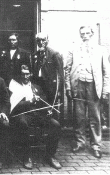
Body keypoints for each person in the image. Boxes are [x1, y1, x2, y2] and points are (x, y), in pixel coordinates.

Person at [65, 25, 110, 159]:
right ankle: (80, 143)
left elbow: (106, 72)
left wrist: (105, 90)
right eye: (82, 34)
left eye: (87, 33)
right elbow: (66, 69)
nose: (85, 36)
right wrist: (68, 87)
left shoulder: (101, 50)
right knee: (79, 117)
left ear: (92, 34)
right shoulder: (73, 49)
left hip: (93, 86)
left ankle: (96, 145)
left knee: (95, 117)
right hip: (78, 85)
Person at [9, 65, 61, 170]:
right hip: (23, 115)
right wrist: (30, 102)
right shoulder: (15, 88)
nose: (25, 76)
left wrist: (48, 110)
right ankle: (27, 156)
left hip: (38, 115)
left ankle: (50, 155)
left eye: (27, 74)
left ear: (31, 74)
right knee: (23, 124)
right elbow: (14, 105)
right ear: (20, 75)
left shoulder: (37, 87)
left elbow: (45, 104)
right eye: (23, 74)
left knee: (55, 125)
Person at [32, 33, 64, 106]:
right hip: (39, 85)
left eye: (43, 40)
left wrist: (59, 90)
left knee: (51, 107)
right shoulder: (35, 55)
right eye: (38, 40)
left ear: (47, 41)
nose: (41, 43)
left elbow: (60, 74)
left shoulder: (54, 54)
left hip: (51, 86)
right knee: (40, 106)